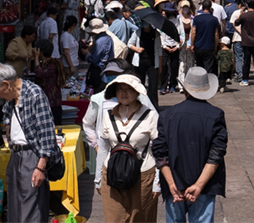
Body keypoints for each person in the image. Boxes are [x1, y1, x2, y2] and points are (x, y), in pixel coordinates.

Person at [152, 68, 227, 223]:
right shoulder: (215, 115)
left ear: (185, 89)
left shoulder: (167, 115)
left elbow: (160, 153)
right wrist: (198, 185)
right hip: (205, 186)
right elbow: (216, 154)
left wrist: (171, 184)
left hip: (174, 185)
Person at [0, 63, 57, 223]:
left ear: (6, 85)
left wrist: (41, 166)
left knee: (31, 208)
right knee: (15, 207)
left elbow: (47, 132)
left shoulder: (34, 94)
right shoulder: (11, 98)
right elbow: (7, 120)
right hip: (16, 156)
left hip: (32, 156)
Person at [82, 60, 155, 197]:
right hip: (111, 162)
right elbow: (88, 124)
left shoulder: (142, 100)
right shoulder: (98, 99)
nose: (112, 77)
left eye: (116, 74)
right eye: (109, 74)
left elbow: (155, 132)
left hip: (140, 163)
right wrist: (96, 145)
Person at [99, 74, 160, 223]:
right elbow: (103, 148)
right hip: (112, 174)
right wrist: (98, 178)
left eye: (129, 89)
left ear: (137, 92)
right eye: (120, 89)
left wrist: (158, 181)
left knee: (141, 218)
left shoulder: (150, 115)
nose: (124, 93)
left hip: (143, 175)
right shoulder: (107, 115)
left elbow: (159, 150)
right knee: (113, 219)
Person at [32, 39, 66, 126]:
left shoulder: (53, 64)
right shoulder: (43, 64)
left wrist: (36, 58)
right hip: (43, 102)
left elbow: (40, 73)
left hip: (52, 103)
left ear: (41, 53)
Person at [159, 3, 184, 95]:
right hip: (165, 47)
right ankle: (163, 86)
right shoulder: (163, 21)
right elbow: (160, 34)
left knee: (174, 66)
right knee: (164, 66)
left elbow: (182, 34)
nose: (168, 13)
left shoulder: (178, 21)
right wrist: (164, 46)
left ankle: (173, 85)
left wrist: (177, 46)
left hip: (175, 46)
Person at [190, 0, 220, 75]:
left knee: (199, 67)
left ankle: (200, 81)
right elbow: (216, 34)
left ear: (202, 8)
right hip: (210, 46)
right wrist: (216, 46)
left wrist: (192, 44)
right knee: (208, 68)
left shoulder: (196, 18)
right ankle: (208, 81)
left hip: (198, 46)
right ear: (210, 8)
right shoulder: (214, 20)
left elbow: (193, 32)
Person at [84, 18, 115, 90]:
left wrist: (87, 54)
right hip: (105, 67)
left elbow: (94, 59)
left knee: (97, 89)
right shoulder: (107, 38)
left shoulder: (100, 41)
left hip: (99, 69)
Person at [228, 0, 245, 82]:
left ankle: (240, 74)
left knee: (238, 57)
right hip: (247, 38)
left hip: (238, 38)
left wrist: (240, 32)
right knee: (245, 57)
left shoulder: (235, 13)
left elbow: (234, 24)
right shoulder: (249, 13)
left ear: (239, 5)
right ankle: (245, 74)